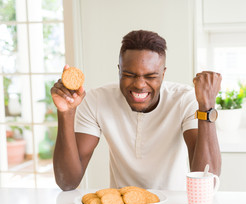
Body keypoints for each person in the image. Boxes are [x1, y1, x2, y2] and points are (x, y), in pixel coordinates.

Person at [51, 30, 222, 191]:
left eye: (151, 76)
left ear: (163, 74)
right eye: (129, 75)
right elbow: (67, 182)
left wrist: (207, 107)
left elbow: (207, 182)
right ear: (119, 70)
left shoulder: (185, 100)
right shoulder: (97, 100)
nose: (140, 85)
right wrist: (66, 113)